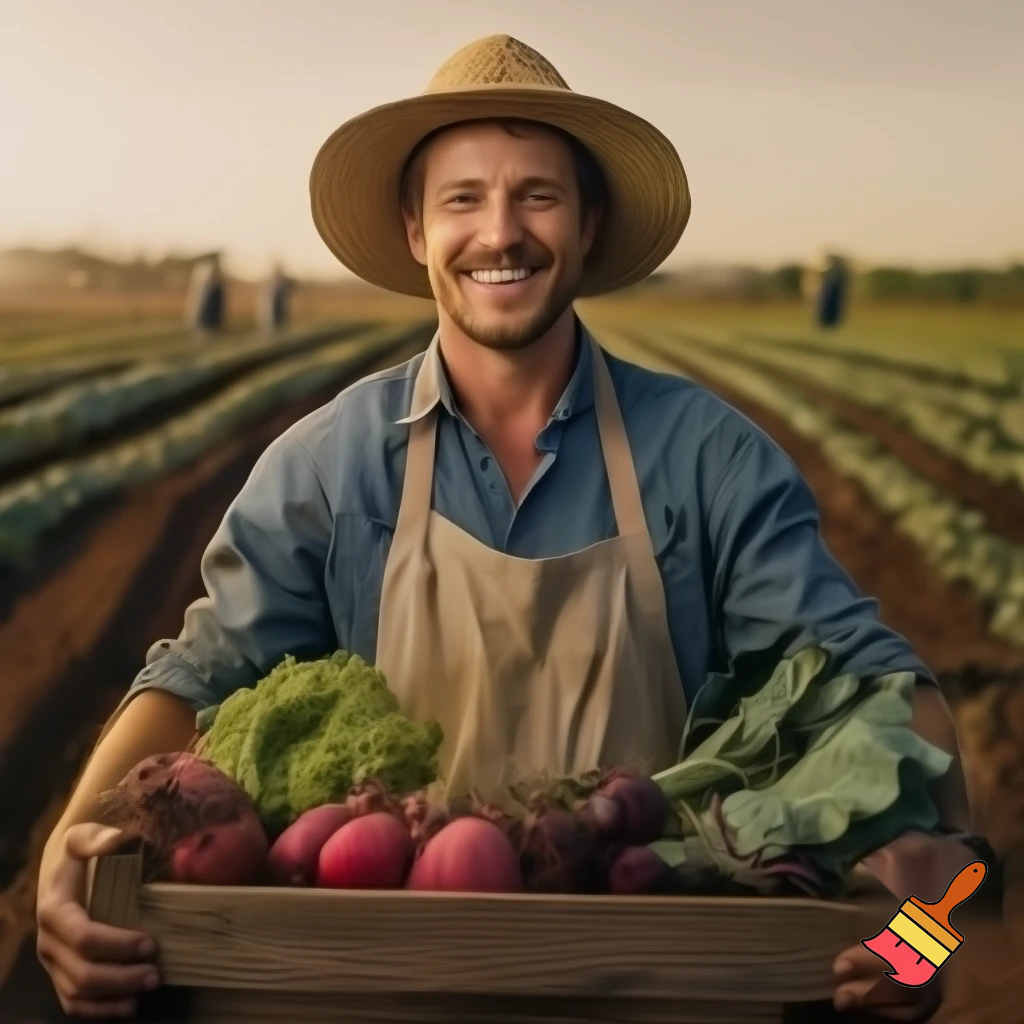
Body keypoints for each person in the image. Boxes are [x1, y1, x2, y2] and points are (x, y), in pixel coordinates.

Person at [37, 34, 974, 1021]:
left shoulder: (709, 460)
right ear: (414, 230)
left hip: (658, 986)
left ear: (586, 222)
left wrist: (929, 927)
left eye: (537, 194)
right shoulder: (328, 465)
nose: (501, 232)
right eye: (462, 198)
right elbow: (197, 681)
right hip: (364, 992)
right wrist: (69, 850)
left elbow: (880, 700)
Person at [258, 262, 294, 332]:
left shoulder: (282, 287)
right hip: (273, 319)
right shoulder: (270, 288)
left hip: (281, 318)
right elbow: (267, 308)